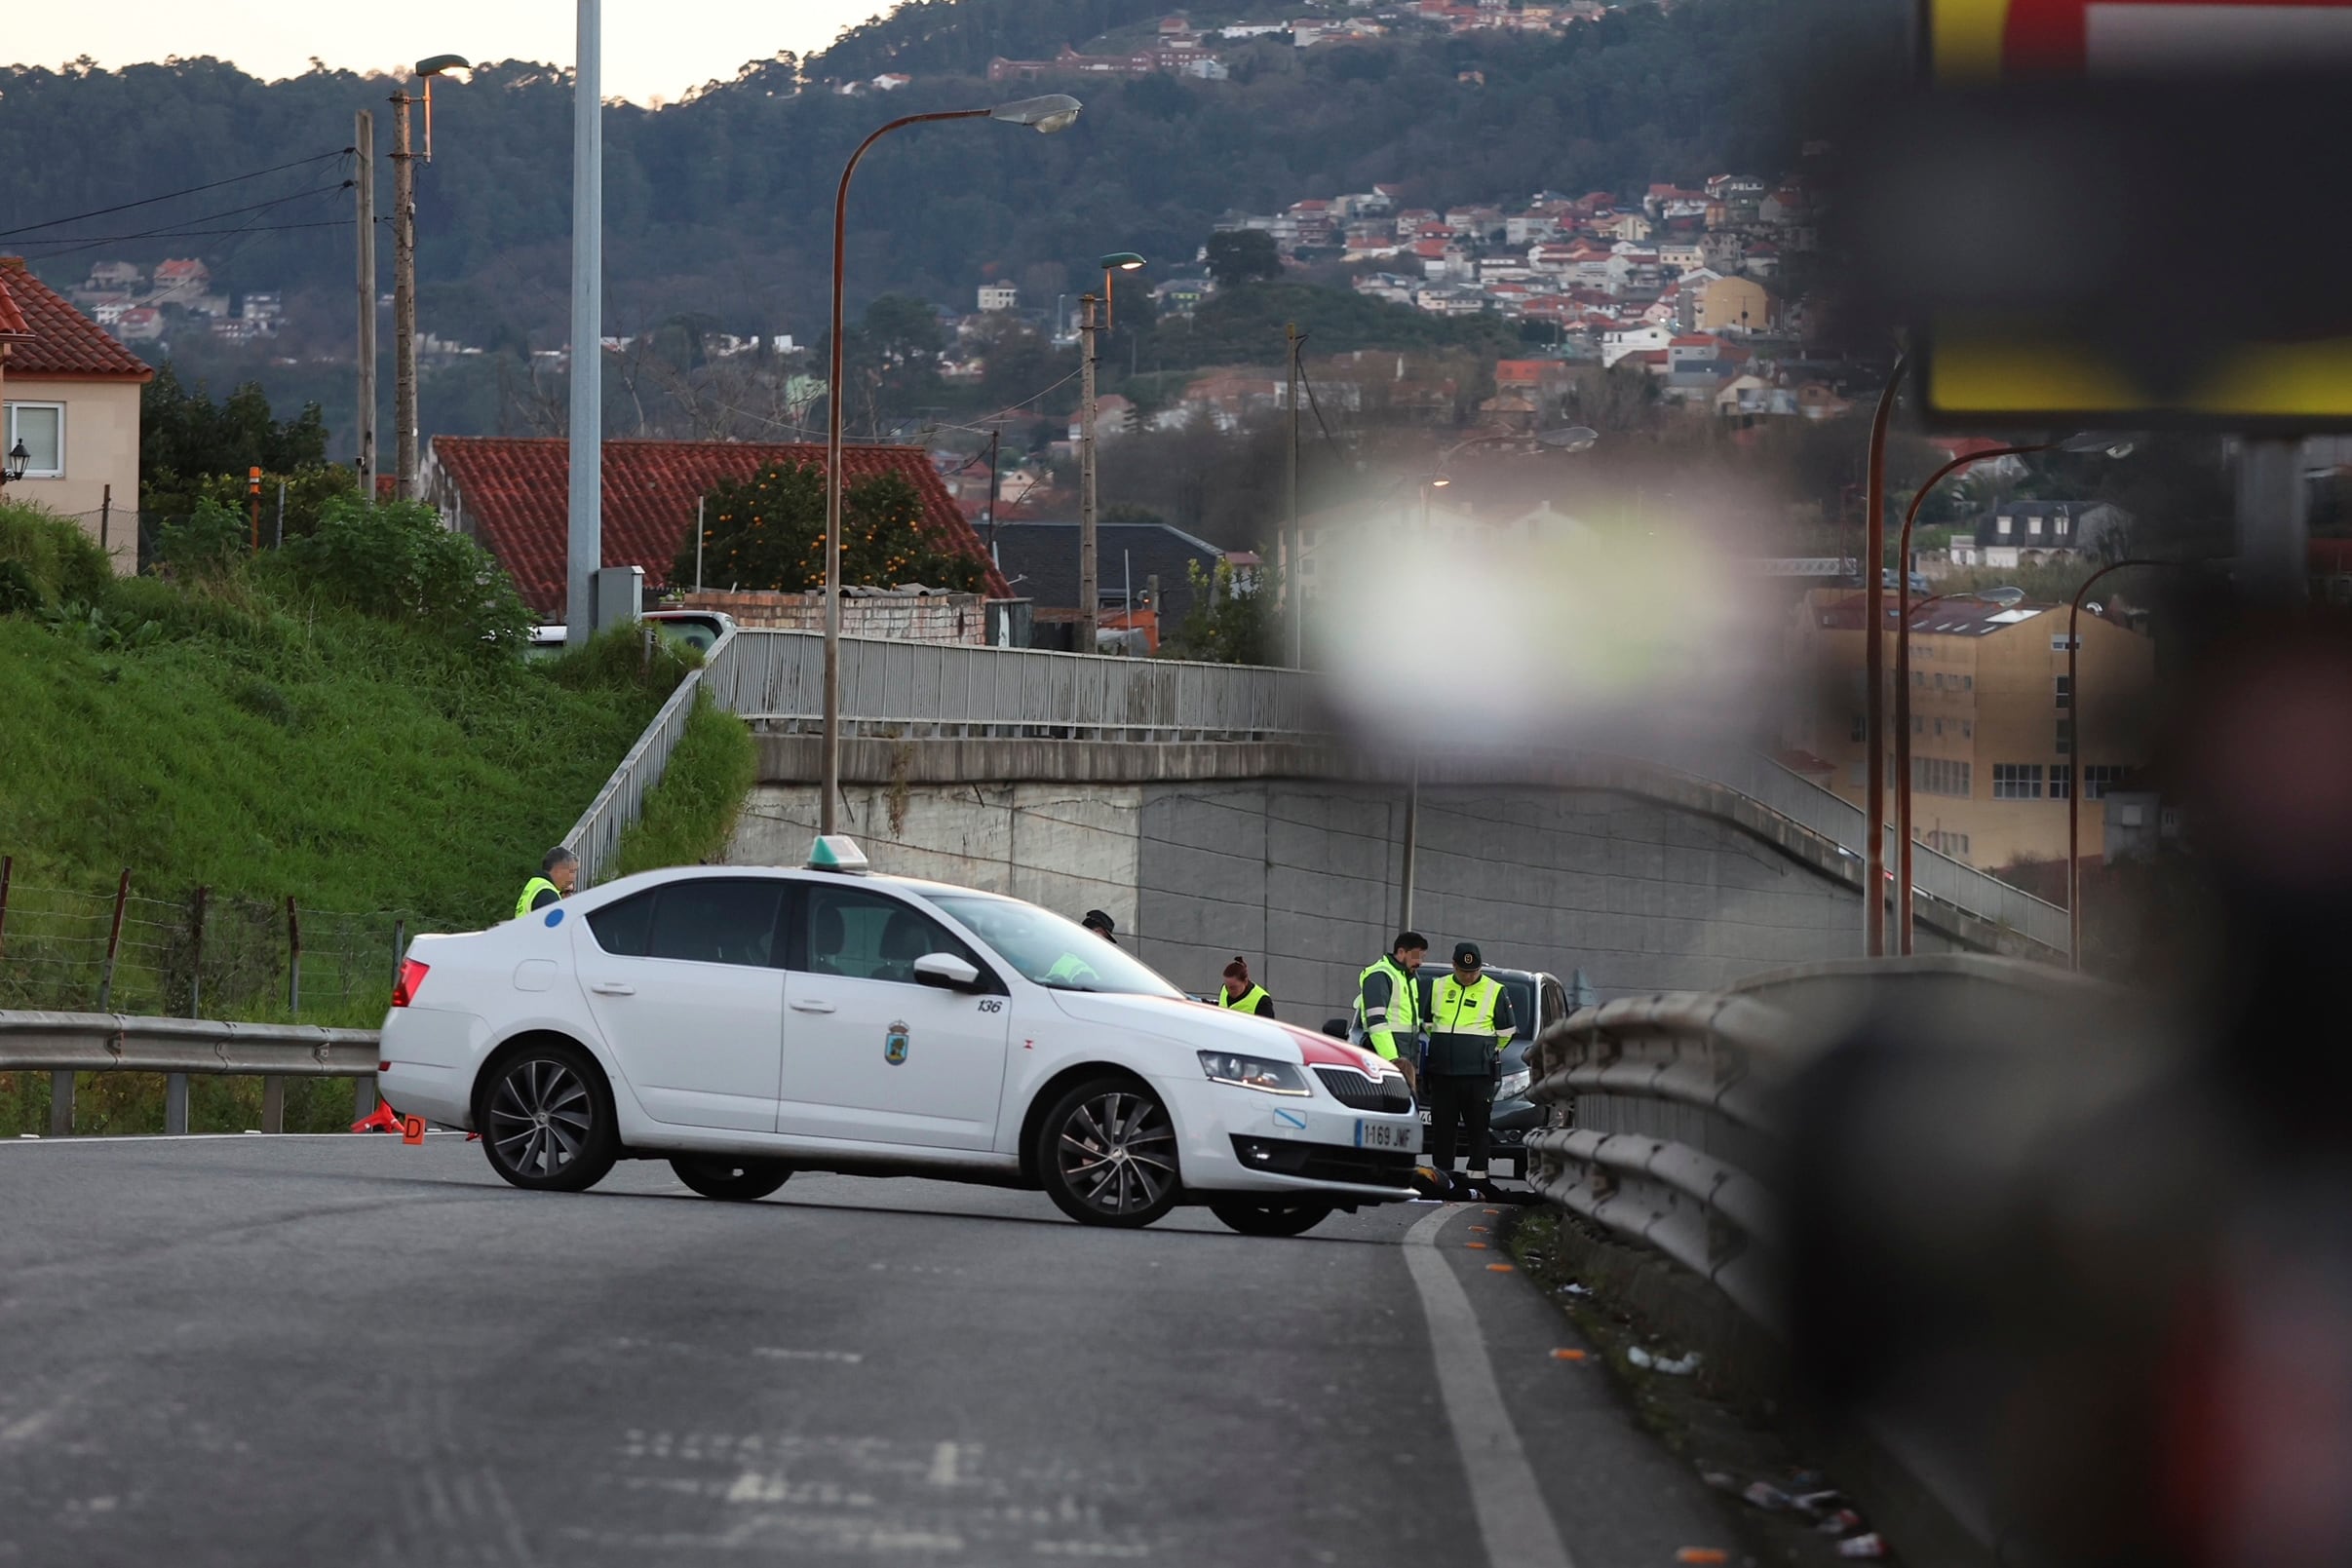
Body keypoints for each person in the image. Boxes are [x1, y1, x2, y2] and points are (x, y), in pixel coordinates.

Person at [1423, 940, 1517, 1199]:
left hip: (1477, 1073)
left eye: (1474, 971)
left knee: (1477, 1126)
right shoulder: (1438, 986)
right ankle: (1442, 1176)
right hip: (1443, 1071)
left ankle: (1478, 1176)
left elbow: (1507, 1032)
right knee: (1443, 1127)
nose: (1469, 975)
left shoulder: (1495, 990)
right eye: (1464, 971)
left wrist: (1484, 1051)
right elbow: (1428, 1023)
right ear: (1454, 965)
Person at [1354, 931, 1428, 1093]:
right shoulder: (1380, 974)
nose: (1420, 962)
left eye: (1422, 957)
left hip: (1402, 1060)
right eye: (1416, 956)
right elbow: (1377, 1023)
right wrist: (1393, 1061)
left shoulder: (1409, 978)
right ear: (1401, 952)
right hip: (1386, 1061)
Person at [516, 846, 578, 919]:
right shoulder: (548, 895)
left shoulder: (536, 884)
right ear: (558, 870)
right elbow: (556, 928)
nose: (573, 878)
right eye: (572, 871)